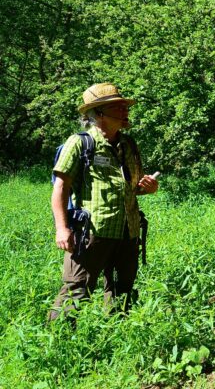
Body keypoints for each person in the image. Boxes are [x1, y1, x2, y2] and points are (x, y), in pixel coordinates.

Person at [50, 82, 159, 321]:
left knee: (123, 289)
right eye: (117, 107)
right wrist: (62, 228)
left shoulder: (129, 145)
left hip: (128, 230)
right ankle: (59, 344)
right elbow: (60, 188)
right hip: (92, 231)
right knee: (76, 289)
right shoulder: (80, 143)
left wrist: (148, 188)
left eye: (124, 106)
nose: (125, 110)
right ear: (98, 114)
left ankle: (116, 336)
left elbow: (133, 187)